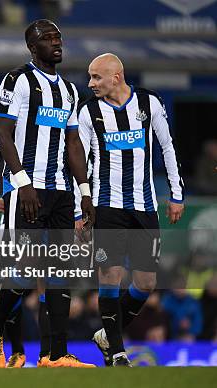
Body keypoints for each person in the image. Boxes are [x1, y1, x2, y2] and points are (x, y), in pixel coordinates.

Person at [0, 19, 95, 368]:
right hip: (26, 189)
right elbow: (3, 132)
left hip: (61, 190)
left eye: (58, 36)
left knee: (61, 271)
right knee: (25, 268)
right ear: (33, 47)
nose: (55, 42)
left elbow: (74, 143)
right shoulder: (17, 80)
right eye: (46, 38)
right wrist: (22, 181)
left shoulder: (71, 91)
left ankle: (56, 355)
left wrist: (84, 191)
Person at [78, 53, 185, 366]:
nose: (91, 83)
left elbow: (167, 146)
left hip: (144, 206)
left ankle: (107, 334)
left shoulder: (149, 104)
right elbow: (78, 166)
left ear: (117, 76)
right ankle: (118, 351)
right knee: (110, 274)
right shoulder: (88, 112)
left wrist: (176, 194)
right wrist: (79, 210)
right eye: (90, 77)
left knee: (146, 283)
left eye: (97, 77)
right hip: (105, 206)